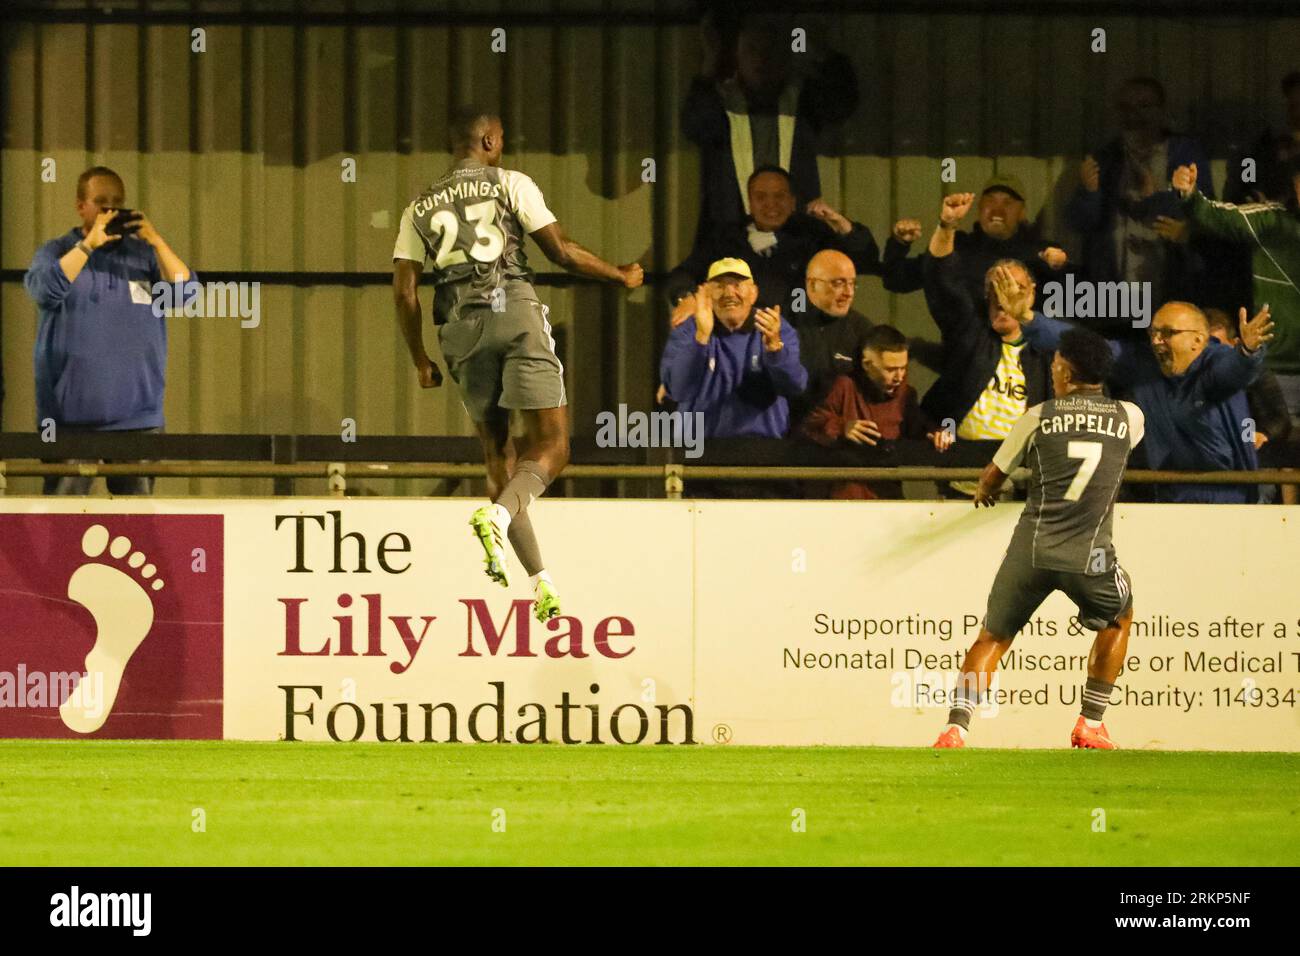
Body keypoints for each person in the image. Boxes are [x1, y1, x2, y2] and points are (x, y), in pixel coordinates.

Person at [392, 107, 643, 622]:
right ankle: (500, 514)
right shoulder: (510, 183)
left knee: (498, 456)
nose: (502, 146)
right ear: (487, 139)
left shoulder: (418, 206)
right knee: (553, 444)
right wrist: (619, 274)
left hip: (457, 330)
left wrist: (420, 359)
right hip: (514, 313)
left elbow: (405, 290)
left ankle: (540, 580)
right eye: (500, 138)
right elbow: (563, 252)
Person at [934, 327, 1145, 750]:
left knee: (993, 636)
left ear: (1065, 370)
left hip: (1031, 549)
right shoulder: (1131, 417)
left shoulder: (1038, 416)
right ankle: (1090, 722)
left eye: (1054, 363)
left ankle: (956, 728)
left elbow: (993, 476)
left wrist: (986, 492)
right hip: (1090, 554)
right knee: (1120, 617)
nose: (1051, 369)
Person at [1011, 272, 1275, 503]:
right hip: (1171, 497)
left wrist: (1248, 350)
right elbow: (1087, 345)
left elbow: (1236, 370)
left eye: (1168, 333)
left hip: (1231, 497)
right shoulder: (1141, 364)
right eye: (1153, 333)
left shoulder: (1215, 362)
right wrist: (1029, 318)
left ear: (1198, 340)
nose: (1157, 341)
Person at [24, 166, 196, 495]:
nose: (110, 209)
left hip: (138, 420)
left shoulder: (144, 257)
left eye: (117, 202)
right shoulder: (55, 252)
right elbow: (44, 290)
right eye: (101, 202)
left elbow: (186, 293)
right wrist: (88, 246)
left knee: (137, 524)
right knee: (64, 522)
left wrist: (156, 241)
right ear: (81, 206)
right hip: (68, 422)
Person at [681, 12, 858, 244]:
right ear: (737, 56)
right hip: (734, 236)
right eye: (751, 50)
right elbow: (694, 126)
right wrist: (709, 64)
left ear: (784, 57)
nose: (760, 60)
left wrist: (821, 51)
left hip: (796, 237)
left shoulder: (802, 100)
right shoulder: (722, 102)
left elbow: (842, 105)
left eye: (769, 52)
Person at [920, 192, 1054, 497]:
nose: (1003, 298)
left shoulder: (1045, 350)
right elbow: (942, 280)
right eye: (995, 289)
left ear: (1032, 293)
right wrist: (947, 226)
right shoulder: (971, 332)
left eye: (1014, 290)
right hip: (960, 483)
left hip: (1019, 491)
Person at [1066, 76, 1213, 317]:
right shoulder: (1107, 157)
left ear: (1162, 110)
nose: (1134, 116)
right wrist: (1088, 192)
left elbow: (1205, 217)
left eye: (1144, 107)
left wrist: (1156, 197)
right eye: (1126, 108)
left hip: (1170, 289)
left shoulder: (1184, 152)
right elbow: (1079, 222)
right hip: (1115, 296)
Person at [660, 258, 806, 497]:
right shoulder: (688, 329)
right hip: (701, 460)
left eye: (738, 284)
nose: (730, 292)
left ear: (754, 292)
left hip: (764, 459)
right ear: (705, 292)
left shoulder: (774, 327)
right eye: (720, 285)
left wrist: (775, 348)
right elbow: (677, 387)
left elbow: (795, 385)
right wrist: (701, 338)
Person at [1175, 160, 1300, 426]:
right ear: (1295, 184)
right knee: (1275, 452)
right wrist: (1190, 196)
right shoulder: (1271, 219)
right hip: (1276, 370)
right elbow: (1217, 216)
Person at [666, 166, 880, 317]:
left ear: (793, 201)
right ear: (749, 202)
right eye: (761, 197)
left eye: (779, 196)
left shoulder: (813, 235)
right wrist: (687, 298)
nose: (771, 205)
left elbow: (865, 260)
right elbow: (683, 274)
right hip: (739, 340)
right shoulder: (726, 238)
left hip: (802, 337)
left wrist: (839, 222)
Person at [802, 325, 953, 499]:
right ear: (867, 365)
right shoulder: (844, 386)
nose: (899, 377)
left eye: (903, 368)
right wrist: (842, 427)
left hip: (887, 497)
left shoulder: (905, 395)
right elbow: (808, 427)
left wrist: (937, 433)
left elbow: (920, 427)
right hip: (845, 500)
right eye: (890, 369)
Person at [879, 175, 1068, 305]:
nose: (997, 210)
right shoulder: (956, 248)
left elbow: (1072, 301)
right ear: (979, 208)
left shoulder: (1041, 253)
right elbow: (896, 280)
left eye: (1008, 203)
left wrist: (1059, 267)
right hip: (968, 357)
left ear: (1022, 212)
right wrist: (899, 244)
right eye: (991, 201)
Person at [785, 249, 874, 426]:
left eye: (852, 284)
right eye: (838, 283)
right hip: (790, 435)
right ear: (811, 285)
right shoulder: (787, 324)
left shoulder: (863, 331)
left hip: (840, 438)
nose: (848, 292)